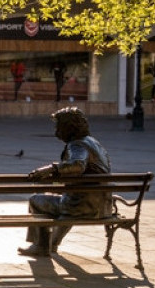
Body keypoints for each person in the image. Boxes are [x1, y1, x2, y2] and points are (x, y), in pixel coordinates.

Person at [18, 107, 112, 257]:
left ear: (67, 127)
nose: (56, 131)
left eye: (58, 126)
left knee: (35, 200)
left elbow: (77, 164)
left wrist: (51, 169)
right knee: (66, 201)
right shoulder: (94, 143)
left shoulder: (77, 145)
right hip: (104, 206)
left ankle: (41, 245)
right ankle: (52, 244)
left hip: (81, 205)